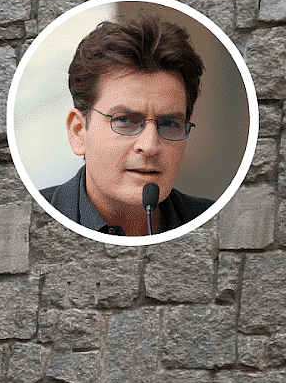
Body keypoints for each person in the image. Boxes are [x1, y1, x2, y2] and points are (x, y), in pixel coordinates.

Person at [39, 12, 214, 237]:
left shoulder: (215, 222)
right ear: (79, 132)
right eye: (124, 120)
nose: (150, 146)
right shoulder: (27, 222)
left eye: (170, 124)